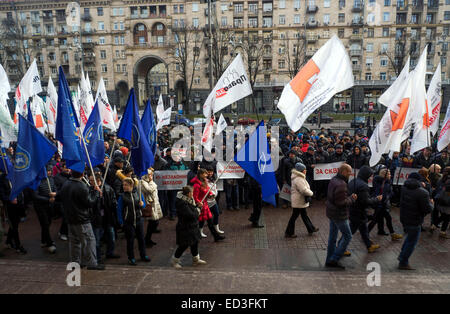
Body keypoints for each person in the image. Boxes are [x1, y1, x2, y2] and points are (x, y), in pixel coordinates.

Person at [60, 170, 104, 270]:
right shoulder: (81, 186)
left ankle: (75, 263)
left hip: (70, 219)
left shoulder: (66, 184)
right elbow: (90, 202)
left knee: (74, 242)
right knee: (89, 241)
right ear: (82, 175)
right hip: (82, 219)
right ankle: (92, 263)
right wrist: (96, 193)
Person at [398, 172, 433, 270]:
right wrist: (431, 204)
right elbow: (427, 209)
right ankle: (403, 261)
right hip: (415, 220)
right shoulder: (422, 192)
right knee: (412, 242)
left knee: (409, 238)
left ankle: (402, 256)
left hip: (404, 218)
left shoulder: (404, 188)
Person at [325, 163, 357, 270]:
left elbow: (335, 197)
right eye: (349, 171)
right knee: (348, 236)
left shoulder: (334, 180)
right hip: (339, 215)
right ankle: (334, 258)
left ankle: (329, 259)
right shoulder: (342, 184)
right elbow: (341, 203)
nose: (350, 173)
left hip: (331, 212)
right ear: (343, 171)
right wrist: (351, 199)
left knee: (332, 237)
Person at [171, 186, 206, 268]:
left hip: (192, 226)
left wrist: (197, 206)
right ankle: (175, 260)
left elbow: (192, 209)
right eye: (192, 193)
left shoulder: (188, 200)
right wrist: (198, 209)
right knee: (184, 245)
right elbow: (191, 215)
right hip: (185, 227)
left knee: (195, 242)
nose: (193, 194)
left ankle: (196, 259)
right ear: (188, 193)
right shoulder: (182, 203)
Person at [118, 178, 150, 266]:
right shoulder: (122, 196)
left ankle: (143, 255)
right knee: (130, 241)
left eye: (126, 185)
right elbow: (119, 210)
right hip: (128, 222)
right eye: (123, 185)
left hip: (139, 220)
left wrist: (142, 204)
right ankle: (131, 257)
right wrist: (121, 222)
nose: (124, 187)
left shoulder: (138, 193)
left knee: (141, 239)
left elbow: (143, 204)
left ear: (131, 186)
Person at [285, 163, 318, 237]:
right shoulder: (299, 179)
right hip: (299, 200)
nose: (305, 171)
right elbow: (303, 190)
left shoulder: (298, 177)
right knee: (295, 216)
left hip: (299, 200)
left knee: (303, 215)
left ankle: (311, 228)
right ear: (301, 171)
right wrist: (311, 193)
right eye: (304, 170)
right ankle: (289, 232)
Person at [368, 168, 403, 241]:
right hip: (380, 204)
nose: (390, 175)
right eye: (389, 174)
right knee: (377, 219)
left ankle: (381, 231)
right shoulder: (382, 183)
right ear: (385, 175)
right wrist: (389, 195)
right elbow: (383, 194)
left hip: (383, 204)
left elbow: (389, 193)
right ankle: (366, 233)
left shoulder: (386, 182)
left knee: (380, 218)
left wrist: (392, 193)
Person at [191, 169, 225, 241]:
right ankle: (198, 234)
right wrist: (198, 202)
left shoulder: (205, 181)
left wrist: (210, 195)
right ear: (200, 175)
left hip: (205, 204)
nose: (207, 175)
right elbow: (194, 196)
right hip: (201, 205)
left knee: (209, 221)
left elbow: (207, 190)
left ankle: (216, 236)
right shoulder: (196, 185)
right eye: (205, 174)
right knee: (201, 220)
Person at [32, 166, 57, 253]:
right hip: (40, 206)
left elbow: (54, 189)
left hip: (49, 206)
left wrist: (54, 194)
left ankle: (43, 240)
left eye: (50, 171)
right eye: (47, 171)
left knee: (47, 223)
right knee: (45, 223)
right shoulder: (36, 181)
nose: (48, 173)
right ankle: (49, 244)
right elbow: (35, 195)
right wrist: (47, 199)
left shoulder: (51, 180)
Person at [0, 172, 26, 254]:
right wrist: (10, 199)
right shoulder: (2, 179)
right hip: (9, 206)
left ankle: (8, 241)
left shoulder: (16, 175)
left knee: (15, 224)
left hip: (18, 205)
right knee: (14, 226)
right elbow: (1, 194)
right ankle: (18, 246)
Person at [141, 168, 163, 247]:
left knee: (154, 222)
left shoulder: (149, 182)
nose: (151, 176)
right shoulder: (143, 182)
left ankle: (148, 238)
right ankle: (147, 239)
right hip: (150, 204)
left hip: (154, 203)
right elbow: (149, 190)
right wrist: (151, 182)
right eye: (150, 174)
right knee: (152, 222)